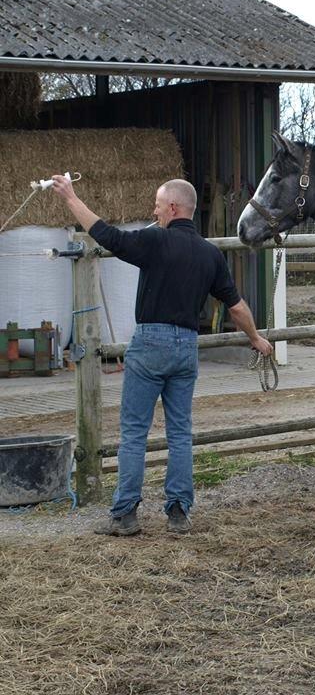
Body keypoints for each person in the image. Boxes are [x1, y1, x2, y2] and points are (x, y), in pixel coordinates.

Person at [51, 176, 273, 536]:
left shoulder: (155, 240)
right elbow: (236, 306)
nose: (153, 211)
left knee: (135, 432)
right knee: (181, 432)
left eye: (157, 205)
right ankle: (178, 512)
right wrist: (256, 338)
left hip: (151, 343)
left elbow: (106, 235)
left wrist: (71, 198)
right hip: (187, 346)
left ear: (173, 208)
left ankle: (124, 515)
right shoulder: (210, 254)